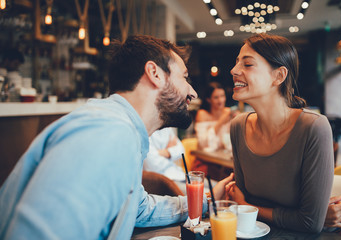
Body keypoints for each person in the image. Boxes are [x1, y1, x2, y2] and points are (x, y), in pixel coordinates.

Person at [0, 35, 233, 240]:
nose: (192, 92)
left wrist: (205, 201)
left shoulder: (124, 132)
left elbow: (140, 209)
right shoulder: (108, 133)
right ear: (155, 74)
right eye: (184, 77)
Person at [225, 33, 341, 238]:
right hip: (268, 233)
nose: (234, 70)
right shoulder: (238, 126)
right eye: (236, 62)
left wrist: (247, 205)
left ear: (279, 76)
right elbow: (242, 205)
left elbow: (310, 223)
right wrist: (245, 205)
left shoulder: (314, 127)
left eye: (247, 64)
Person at [192, 82, 237, 176]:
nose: (220, 100)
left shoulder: (228, 112)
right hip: (206, 162)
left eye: (222, 96)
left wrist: (236, 122)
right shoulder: (202, 114)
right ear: (208, 99)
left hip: (224, 162)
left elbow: (231, 141)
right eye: (216, 97)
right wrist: (221, 121)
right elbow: (204, 144)